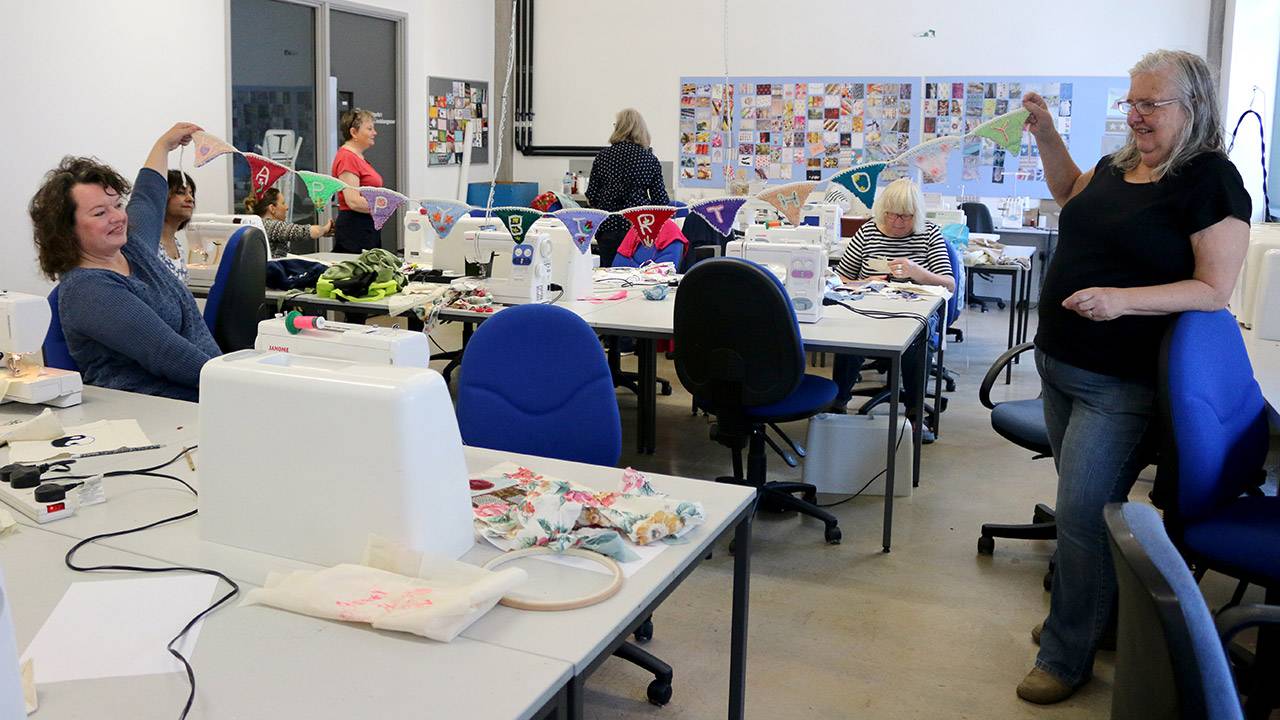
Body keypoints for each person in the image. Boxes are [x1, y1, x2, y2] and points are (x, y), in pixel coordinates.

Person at [1016, 49, 1250, 704]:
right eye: (1132, 102)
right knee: (1082, 509)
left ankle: (1066, 655)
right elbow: (1068, 193)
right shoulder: (1120, 164)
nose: (1136, 116)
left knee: (1082, 517)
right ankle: (1090, 617)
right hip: (1059, 364)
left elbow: (1213, 289)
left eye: (1151, 104)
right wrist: (1048, 135)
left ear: (1192, 107)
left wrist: (1122, 300)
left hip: (1119, 383)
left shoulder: (1211, 181)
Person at [28, 123, 222, 402]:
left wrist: (164, 144)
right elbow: (166, 352)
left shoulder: (132, 248)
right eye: (100, 213)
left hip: (201, 391)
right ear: (66, 230)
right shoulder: (88, 290)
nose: (118, 217)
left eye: (117, 205)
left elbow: (148, 198)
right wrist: (240, 383)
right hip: (153, 408)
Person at [830, 178, 954, 442]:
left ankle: (915, 413)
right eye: (891, 215)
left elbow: (949, 284)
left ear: (916, 215)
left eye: (905, 216)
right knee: (847, 337)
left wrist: (918, 272)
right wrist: (865, 282)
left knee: (917, 340)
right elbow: (839, 278)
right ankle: (837, 405)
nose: (897, 223)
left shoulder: (929, 234)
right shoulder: (868, 232)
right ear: (882, 211)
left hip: (914, 314)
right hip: (868, 310)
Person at [586, 108, 670, 267]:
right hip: (639, 227)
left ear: (619, 128)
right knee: (636, 273)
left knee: (607, 272)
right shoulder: (649, 159)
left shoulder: (602, 156)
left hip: (607, 226)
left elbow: (592, 195)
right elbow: (661, 202)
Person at [331, 108, 383, 253]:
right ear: (354, 132)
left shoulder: (357, 157)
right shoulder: (347, 157)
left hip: (366, 225)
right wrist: (385, 206)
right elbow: (353, 201)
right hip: (355, 227)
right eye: (370, 129)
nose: (375, 133)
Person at [244, 187, 333, 257]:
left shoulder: (255, 223)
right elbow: (307, 231)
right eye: (283, 203)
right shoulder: (270, 226)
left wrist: (322, 232)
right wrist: (325, 228)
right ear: (272, 208)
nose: (286, 207)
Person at [158, 170, 195, 282]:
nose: (190, 199)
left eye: (191, 193)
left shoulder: (178, 247)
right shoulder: (151, 246)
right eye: (181, 192)